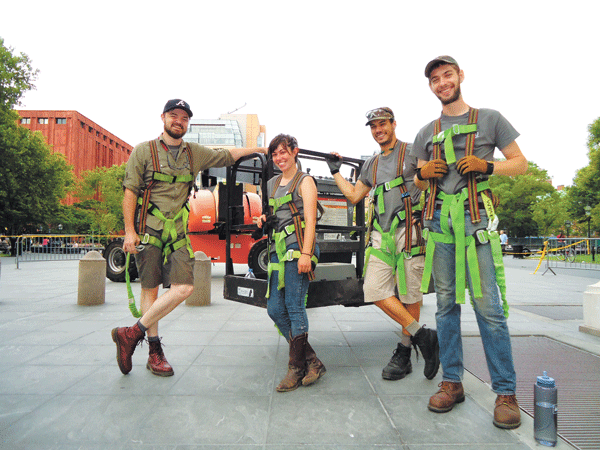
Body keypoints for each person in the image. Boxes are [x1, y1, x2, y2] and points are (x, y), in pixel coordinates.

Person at [411, 56, 528, 429]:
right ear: (430, 86)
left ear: (461, 76)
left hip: (475, 221)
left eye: (448, 75)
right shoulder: (426, 131)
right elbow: (416, 181)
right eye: (435, 79)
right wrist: (422, 173)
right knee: (445, 305)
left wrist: (487, 166)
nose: (442, 83)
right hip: (439, 222)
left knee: (488, 306)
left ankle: (506, 392)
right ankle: (452, 382)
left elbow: (520, 163)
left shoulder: (490, 118)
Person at [112, 99, 266, 377]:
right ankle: (154, 351)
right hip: (150, 230)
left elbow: (228, 154)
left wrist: (262, 148)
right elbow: (130, 192)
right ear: (163, 118)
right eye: (174, 115)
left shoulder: (193, 153)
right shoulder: (143, 152)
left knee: (184, 287)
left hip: (179, 233)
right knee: (150, 290)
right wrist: (129, 231)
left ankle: (132, 333)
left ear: (187, 123)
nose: (178, 121)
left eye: (184, 117)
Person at [326, 107, 439, 382]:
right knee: (373, 289)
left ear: (393, 124)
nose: (378, 130)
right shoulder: (372, 164)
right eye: (374, 126)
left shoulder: (412, 152)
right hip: (381, 234)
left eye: (382, 124)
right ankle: (422, 336)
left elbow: (434, 179)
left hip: (409, 231)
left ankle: (404, 351)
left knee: (410, 294)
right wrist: (335, 172)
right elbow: (354, 196)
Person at [256, 134, 325, 392]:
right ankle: (312, 361)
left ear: (295, 152)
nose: (279, 158)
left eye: (284, 152)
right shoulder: (273, 183)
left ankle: (295, 369)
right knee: (275, 308)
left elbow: (310, 220)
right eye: (275, 154)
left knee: (294, 307)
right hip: (277, 250)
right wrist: (263, 219)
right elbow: (273, 213)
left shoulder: (304, 181)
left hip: (298, 248)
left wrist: (306, 254)